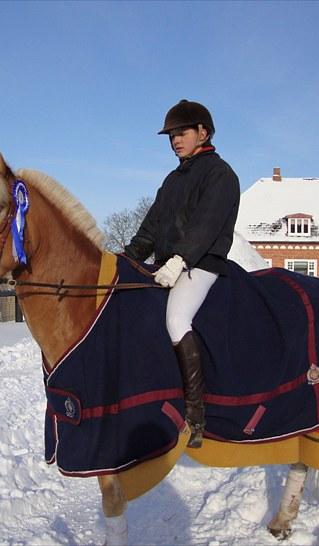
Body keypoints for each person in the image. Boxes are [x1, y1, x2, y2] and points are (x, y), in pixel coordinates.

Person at [124, 99, 240, 448]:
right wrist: (124, 260)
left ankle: (195, 414)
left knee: (176, 319)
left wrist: (180, 259)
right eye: (171, 135)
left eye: (182, 132)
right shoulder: (172, 180)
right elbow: (150, 229)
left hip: (201, 264)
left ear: (203, 132)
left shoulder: (221, 174)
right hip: (169, 265)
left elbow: (206, 226)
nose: (175, 140)